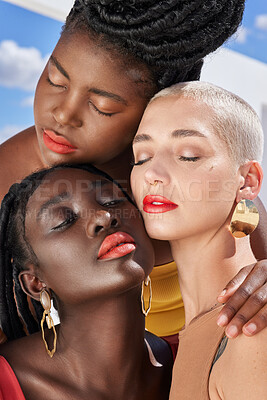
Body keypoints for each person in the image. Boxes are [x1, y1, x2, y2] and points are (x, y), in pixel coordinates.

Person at [0, 0, 267, 345]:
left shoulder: (203, 186)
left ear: (154, 107)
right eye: (55, 80)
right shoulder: (8, 183)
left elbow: (247, 226)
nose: (63, 114)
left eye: (103, 106)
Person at [130, 81, 267, 399]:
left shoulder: (251, 333)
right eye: (142, 156)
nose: (153, 173)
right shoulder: (187, 337)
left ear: (247, 181)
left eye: (188, 155)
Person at [0, 163, 173, 399]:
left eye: (112, 201)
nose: (104, 216)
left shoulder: (196, 359)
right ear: (34, 282)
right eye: (64, 221)